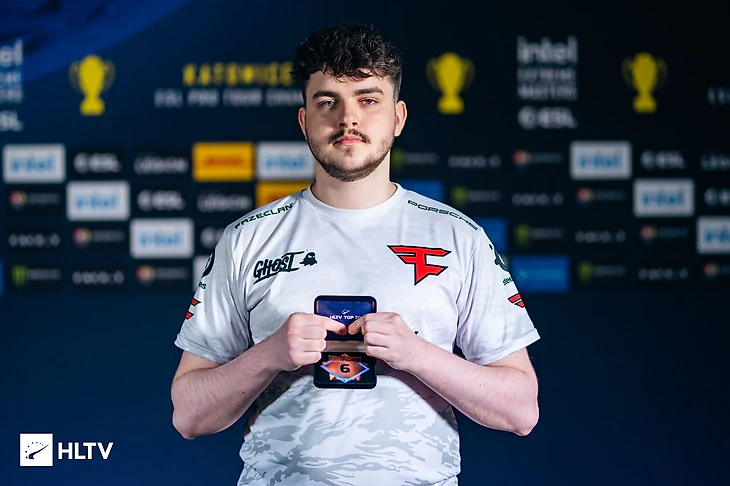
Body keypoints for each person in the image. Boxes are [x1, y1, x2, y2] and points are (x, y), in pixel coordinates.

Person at [171, 24, 540, 486]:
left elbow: (520, 410)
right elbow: (188, 415)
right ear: (304, 120)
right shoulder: (247, 238)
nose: (348, 119)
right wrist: (268, 355)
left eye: (368, 100)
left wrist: (418, 355)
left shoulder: (458, 236)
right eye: (328, 102)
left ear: (398, 117)